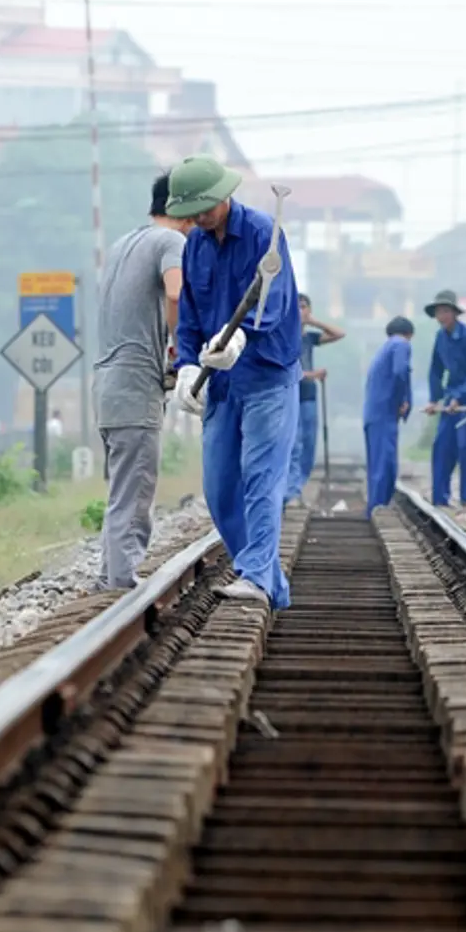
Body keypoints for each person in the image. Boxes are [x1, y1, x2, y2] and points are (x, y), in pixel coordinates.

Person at [170, 155, 301, 611]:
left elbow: (276, 299)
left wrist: (245, 333)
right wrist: (187, 365)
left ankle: (258, 576)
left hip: (267, 373)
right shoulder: (195, 246)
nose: (199, 218)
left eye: (205, 208)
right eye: (192, 212)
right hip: (221, 382)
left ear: (225, 196)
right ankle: (269, 578)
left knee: (260, 477)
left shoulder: (265, 233)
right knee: (220, 485)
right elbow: (188, 312)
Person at [92, 171, 192, 591]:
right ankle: (120, 584)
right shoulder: (172, 242)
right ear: (183, 206)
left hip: (107, 384)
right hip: (135, 384)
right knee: (134, 495)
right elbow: (175, 292)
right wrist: (181, 347)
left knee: (121, 490)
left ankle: (108, 578)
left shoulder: (121, 244)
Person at [424, 289, 466, 508]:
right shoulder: (440, 337)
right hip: (451, 399)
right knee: (442, 446)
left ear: (454, 313)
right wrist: (435, 399)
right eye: (438, 312)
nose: (441, 316)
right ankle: (440, 498)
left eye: (445, 311)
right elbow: (435, 369)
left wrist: (460, 398)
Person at [285, 294, 344, 507]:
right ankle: (290, 492)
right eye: (297, 307)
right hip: (289, 396)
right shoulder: (284, 336)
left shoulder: (309, 338)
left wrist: (313, 321)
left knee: (309, 445)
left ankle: (297, 488)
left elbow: (339, 333)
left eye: (304, 307)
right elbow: (288, 371)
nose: (301, 311)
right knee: (295, 444)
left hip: (309, 396)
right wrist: (313, 374)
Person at [363, 316, 414, 517]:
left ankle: (375, 508)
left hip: (374, 413)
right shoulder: (401, 344)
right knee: (385, 463)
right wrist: (402, 400)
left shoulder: (385, 348)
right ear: (409, 334)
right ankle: (378, 509)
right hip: (385, 413)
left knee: (377, 462)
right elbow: (400, 371)